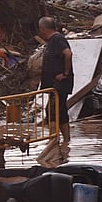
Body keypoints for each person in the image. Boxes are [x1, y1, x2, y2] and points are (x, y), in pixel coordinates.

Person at [38, 16, 73, 158]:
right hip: (55, 85)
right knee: (62, 113)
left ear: (43, 29)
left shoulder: (58, 39)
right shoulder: (52, 41)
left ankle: (53, 142)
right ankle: (66, 142)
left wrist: (65, 73)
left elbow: (68, 54)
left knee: (51, 111)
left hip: (59, 85)